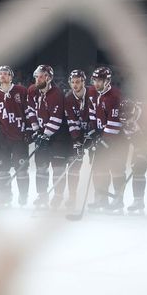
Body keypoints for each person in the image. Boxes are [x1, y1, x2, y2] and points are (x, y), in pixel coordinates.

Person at [0, 65, 31, 207]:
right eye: (1, 74)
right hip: (2, 138)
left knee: (21, 169)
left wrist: (29, 129)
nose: (3, 76)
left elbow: (29, 112)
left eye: (6, 74)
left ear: (11, 77)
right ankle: (6, 195)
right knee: (3, 169)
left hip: (19, 138)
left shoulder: (21, 91)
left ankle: (23, 195)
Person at [84, 66, 126, 213]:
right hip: (101, 136)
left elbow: (115, 122)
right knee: (98, 168)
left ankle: (118, 199)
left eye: (99, 80)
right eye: (95, 80)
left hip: (116, 140)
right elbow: (92, 114)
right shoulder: (92, 93)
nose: (96, 83)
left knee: (116, 170)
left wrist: (103, 140)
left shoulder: (115, 95)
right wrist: (94, 132)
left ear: (107, 81)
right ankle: (101, 198)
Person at [26, 64, 69, 210]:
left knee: (58, 169)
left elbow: (56, 119)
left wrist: (45, 135)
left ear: (49, 78)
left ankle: (58, 197)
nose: (37, 79)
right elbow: (30, 111)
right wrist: (37, 131)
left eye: (41, 76)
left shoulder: (57, 94)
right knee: (41, 168)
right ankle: (42, 195)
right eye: (36, 76)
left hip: (59, 137)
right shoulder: (32, 90)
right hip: (43, 133)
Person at [63, 69, 90, 209]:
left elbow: (97, 115)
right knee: (74, 167)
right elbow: (71, 121)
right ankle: (72, 196)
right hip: (77, 136)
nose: (75, 85)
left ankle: (99, 197)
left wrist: (92, 133)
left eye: (78, 82)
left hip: (93, 134)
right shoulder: (68, 98)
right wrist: (77, 141)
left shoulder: (93, 94)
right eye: (72, 82)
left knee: (100, 167)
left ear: (83, 82)